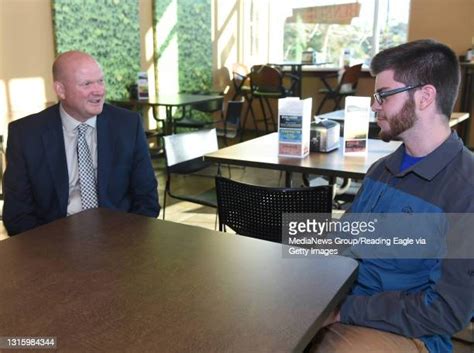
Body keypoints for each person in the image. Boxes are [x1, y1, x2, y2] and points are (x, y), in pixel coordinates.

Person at [310, 40, 474, 353]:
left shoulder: (466, 190)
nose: (374, 105)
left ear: (425, 97)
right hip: (343, 305)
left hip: (411, 333)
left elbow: (446, 311)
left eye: (383, 95)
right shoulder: (380, 170)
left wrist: (343, 311)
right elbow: (343, 241)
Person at [3, 51, 159, 236]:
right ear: (61, 90)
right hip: (53, 241)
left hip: (118, 236)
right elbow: (17, 214)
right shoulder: (26, 134)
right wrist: (49, 251)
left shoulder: (127, 125)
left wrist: (126, 241)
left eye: (100, 81)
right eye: (87, 84)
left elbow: (147, 198)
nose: (99, 90)